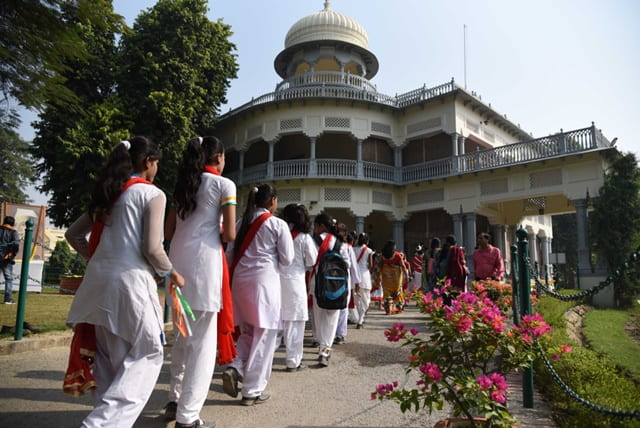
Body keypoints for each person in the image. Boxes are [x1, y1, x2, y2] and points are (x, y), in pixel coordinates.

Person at [65, 137, 185, 428]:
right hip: (130, 284)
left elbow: (73, 235)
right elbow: (152, 248)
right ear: (148, 163)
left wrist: (99, 258)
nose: (156, 168)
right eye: (156, 163)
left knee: (109, 362)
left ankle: (104, 420)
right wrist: (172, 273)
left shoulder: (106, 194)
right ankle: (99, 425)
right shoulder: (151, 194)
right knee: (149, 352)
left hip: (97, 284)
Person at [163, 136, 236, 428]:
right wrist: (213, 234)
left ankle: (175, 399)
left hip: (175, 263)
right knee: (203, 345)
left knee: (182, 337)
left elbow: (168, 230)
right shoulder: (223, 185)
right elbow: (230, 234)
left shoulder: (182, 185)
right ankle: (188, 416)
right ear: (218, 157)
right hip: (204, 266)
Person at [222, 184, 294, 405]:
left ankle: (235, 367)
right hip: (264, 285)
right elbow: (288, 259)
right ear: (272, 200)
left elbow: (229, 255)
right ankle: (252, 390)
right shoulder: (276, 224)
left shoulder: (240, 222)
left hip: (240, 284)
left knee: (247, 333)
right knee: (263, 337)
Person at [280, 203, 317, 372]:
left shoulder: (280, 234)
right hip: (295, 282)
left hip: (277, 281)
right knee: (296, 323)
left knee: (277, 323)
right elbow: (311, 261)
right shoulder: (304, 238)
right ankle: (293, 361)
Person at [310, 213, 351, 366]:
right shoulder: (340, 243)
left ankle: (321, 345)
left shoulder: (314, 240)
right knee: (331, 320)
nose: (314, 228)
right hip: (336, 286)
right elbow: (348, 265)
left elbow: (309, 262)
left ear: (321, 226)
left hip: (317, 285)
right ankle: (325, 350)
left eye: (315, 225)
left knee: (319, 318)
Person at [334, 225, 361, 345]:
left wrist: (356, 282)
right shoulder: (346, 247)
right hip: (341, 281)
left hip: (342, 281)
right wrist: (357, 282)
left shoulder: (344, 247)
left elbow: (353, 267)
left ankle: (338, 333)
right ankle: (338, 334)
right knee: (340, 308)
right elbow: (353, 266)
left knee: (341, 309)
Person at [373, 240, 409, 314]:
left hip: (386, 279)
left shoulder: (382, 256)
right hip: (396, 279)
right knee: (398, 292)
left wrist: (377, 277)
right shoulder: (397, 255)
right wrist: (406, 275)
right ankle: (398, 307)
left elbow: (379, 267)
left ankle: (388, 306)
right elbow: (403, 266)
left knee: (387, 293)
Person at [352, 232, 374, 328]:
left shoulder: (353, 249)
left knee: (356, 299)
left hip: (354, 277)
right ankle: (360, 320)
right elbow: (371, 265)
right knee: (366, 299)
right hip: (364, 276)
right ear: (367, 241)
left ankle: (358, 318)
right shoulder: (368, 250)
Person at [0, 216, 20, 304]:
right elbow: (16, 245)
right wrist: (11, 254)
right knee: (8, 278)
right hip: (6, 258)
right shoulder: (13, 232)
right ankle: (7, 299)